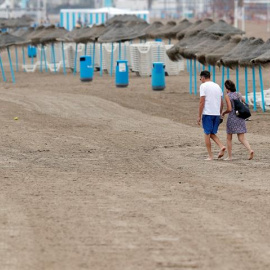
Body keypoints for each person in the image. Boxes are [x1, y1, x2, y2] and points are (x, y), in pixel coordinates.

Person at [222, 80, 254, 160]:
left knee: (229, 138)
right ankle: (250, 150)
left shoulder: (228, 96)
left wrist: (223, 113)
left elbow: (229, 109)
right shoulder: (238, 94)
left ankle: (229, 157)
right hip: (240, 117)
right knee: (241, 138)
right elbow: (244, 102)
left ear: (227, 88)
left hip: (232, 118)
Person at [197, 70, 226, 160]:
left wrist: (199, 115)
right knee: (212, 133)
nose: (200, 80)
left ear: (203, 77)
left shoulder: (203, 86)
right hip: (216, 113)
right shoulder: (217, 86)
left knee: (207, 133)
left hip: (207, 113)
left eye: (200, 78)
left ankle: (210, 156)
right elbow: (222, 102)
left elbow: (202, 101)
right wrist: (220, 113)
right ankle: (221, 146)